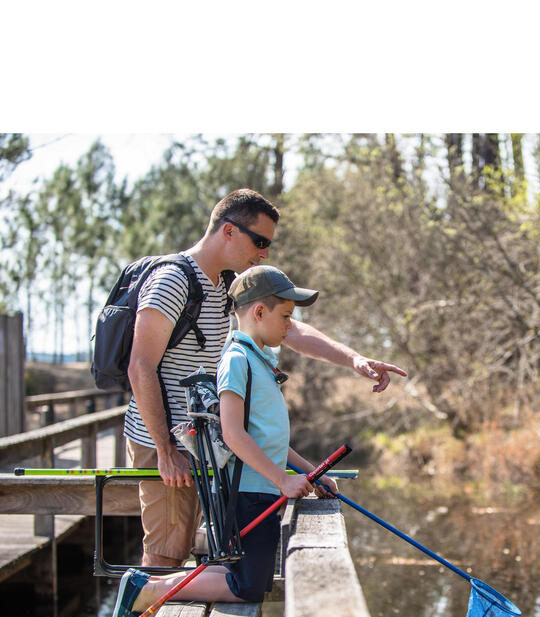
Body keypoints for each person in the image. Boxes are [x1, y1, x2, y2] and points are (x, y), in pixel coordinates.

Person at [125, 188, 406, 568]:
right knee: (164, 553)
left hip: (201, 443)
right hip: (165, 441)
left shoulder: (225, 286)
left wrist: (354, 359)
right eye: (260, 242)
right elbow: (140, 366)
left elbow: (290, 332)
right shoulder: (173, 281)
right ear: (228, 231)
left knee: (187, 549)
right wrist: (163, 451)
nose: (264, 254)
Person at [110, 265, 338, 617]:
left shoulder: (260, 361)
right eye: (285, 316)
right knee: (247, 584)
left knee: (253, 578)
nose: (289, 326)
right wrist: (281, 479)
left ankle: (146, 587)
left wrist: (311, 472)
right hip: (249, 492)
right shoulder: (238, 360)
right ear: (259, 313)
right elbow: (232, 434)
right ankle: (147, 590)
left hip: (262, 488)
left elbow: (271, 440)